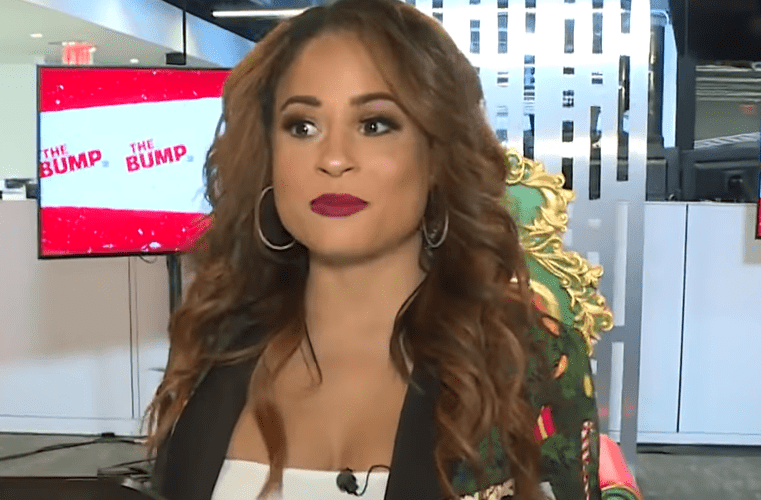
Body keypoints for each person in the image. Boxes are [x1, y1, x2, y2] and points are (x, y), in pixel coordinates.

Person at [143, 0, 601, 499]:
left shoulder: (526, 359)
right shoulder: (216, 341)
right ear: (269, 156)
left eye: (375, 124)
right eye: (302, 127)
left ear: (436, 156)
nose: (334, 159)